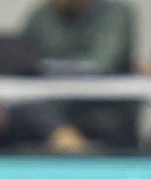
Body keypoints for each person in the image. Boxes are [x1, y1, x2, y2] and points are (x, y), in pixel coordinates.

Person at [19, 0, 140, 148]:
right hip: (52, 107)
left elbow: (102, 62)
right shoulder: (41, 16)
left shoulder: (115, 13)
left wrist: (50, 68)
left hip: (102, 106)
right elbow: (23, 57)